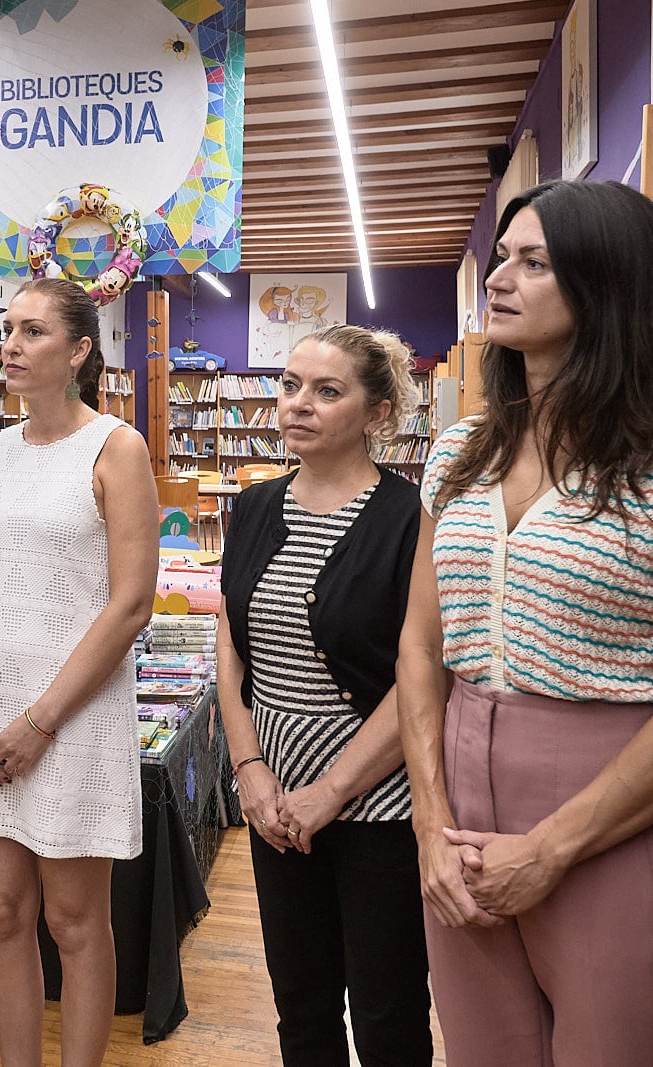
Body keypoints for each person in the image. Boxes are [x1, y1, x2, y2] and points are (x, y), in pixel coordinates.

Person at [397, 179, 653, 1065]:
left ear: (607, 286)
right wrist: (428, 827)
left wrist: (549, 848)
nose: (501, 278)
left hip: (613, 820)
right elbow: (422, 645)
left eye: (536, 262)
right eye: (504, 257)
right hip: (458, 827)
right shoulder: (460, 453)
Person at [0, 276, 158, 1066]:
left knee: (73, 920)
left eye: (32, 332)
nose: (10, 347)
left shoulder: (116, 447)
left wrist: (40, 722)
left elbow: (131, 605)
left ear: (80, 351)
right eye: (8, 331)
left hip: (71, 715)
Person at [216, 324, 433, 1066]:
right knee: (300, 1007)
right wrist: (248, 769)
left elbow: (421, 673)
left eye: (326, 390)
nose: (297, 404)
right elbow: (230, 641)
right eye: (289, 385)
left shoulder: (411, 520)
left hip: (379, 805)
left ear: (377, 413)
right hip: (273, 800)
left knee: (388, 1011)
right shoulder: (252, 509)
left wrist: (331, 790)